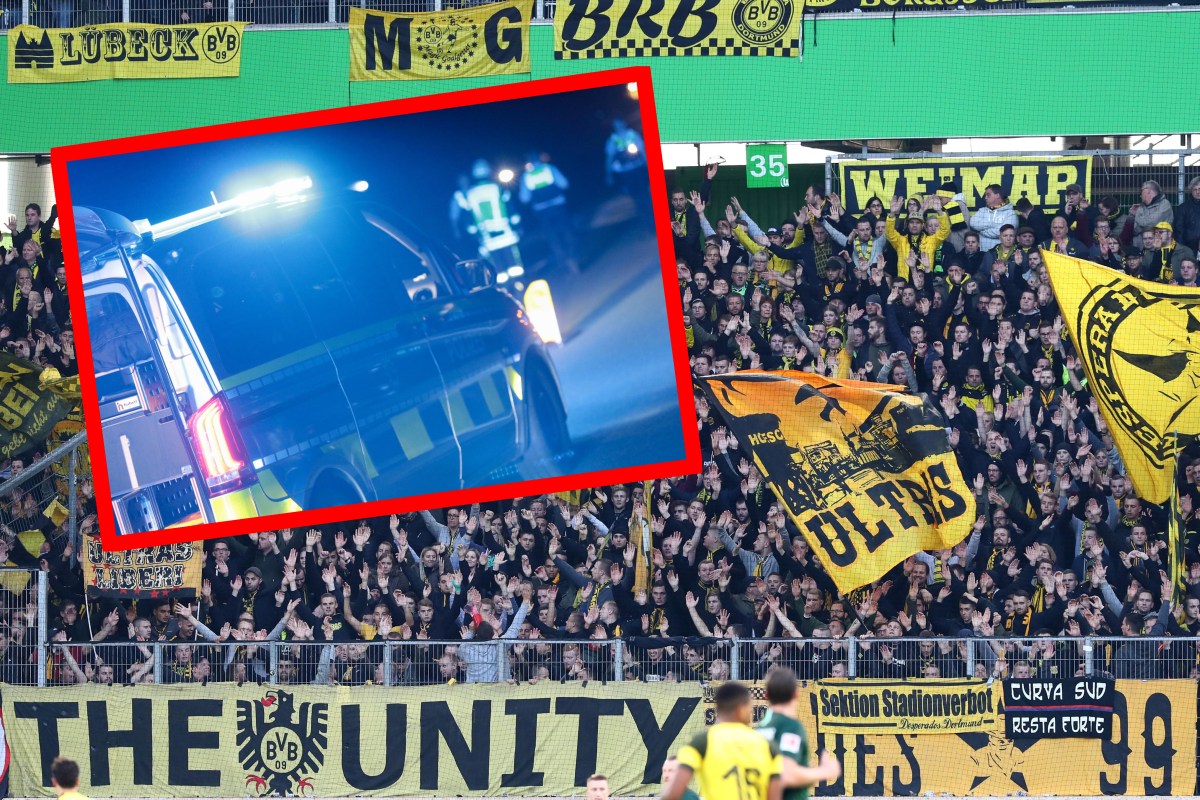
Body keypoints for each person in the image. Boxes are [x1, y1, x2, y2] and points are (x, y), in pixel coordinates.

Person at [663, 682, 783, 800]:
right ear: (741, 709)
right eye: (750, 708)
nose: (751, 712)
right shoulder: (768, 746)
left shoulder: (700, 742)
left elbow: (673, 793)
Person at [756, 668, 842, 800]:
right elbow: (786, 775)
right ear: (796, 694)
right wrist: (825, 771)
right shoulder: (790, 726)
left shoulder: (759, 729)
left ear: (765, 695)